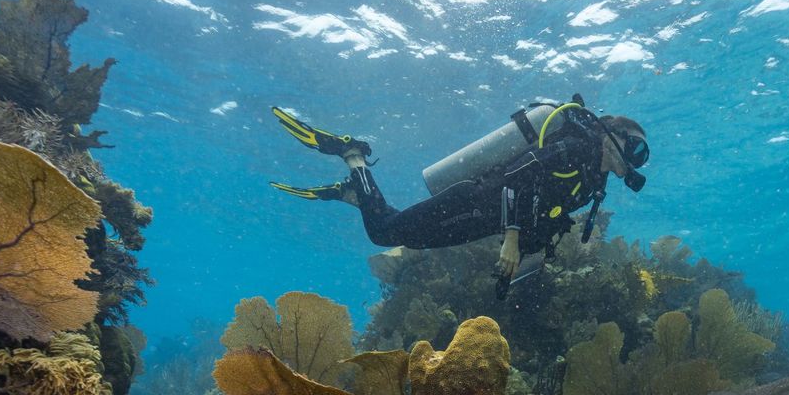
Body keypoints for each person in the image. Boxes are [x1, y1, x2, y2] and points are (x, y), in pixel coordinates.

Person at [270, 97, 649, 294]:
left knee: (400, 232)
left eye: (642, 156)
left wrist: (530, 252)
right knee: (384, 233)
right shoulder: (577, 148)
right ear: (612, 136)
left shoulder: (593, 181)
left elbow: (546, 209)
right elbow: (517, 175)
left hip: (481, 220)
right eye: (635, 148)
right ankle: (352, 154)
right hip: (473, 201)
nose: (636, 161)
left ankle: (357, 192)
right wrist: (513, 239)